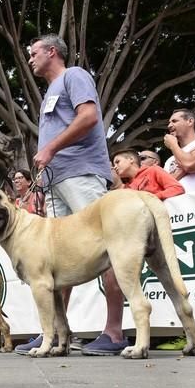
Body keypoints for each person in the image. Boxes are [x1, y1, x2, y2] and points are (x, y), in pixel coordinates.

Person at [24, 33, 125, 356]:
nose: (30, 58)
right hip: (57, 181)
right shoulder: (48, 94)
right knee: (58, 258)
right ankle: (56, 333)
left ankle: (114, 331)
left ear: (52, 51)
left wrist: (50, 147)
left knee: (109, 246)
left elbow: (89, 117)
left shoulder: (74, 76)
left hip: (81, 174)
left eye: (34, 52)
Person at [112, 149, 185, 200]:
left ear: (131, 159)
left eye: (117, 162)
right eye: (113, 164)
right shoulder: (125, 189)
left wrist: (152, 198)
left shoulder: (153, 170)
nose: (115, 167)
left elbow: (177, 188)